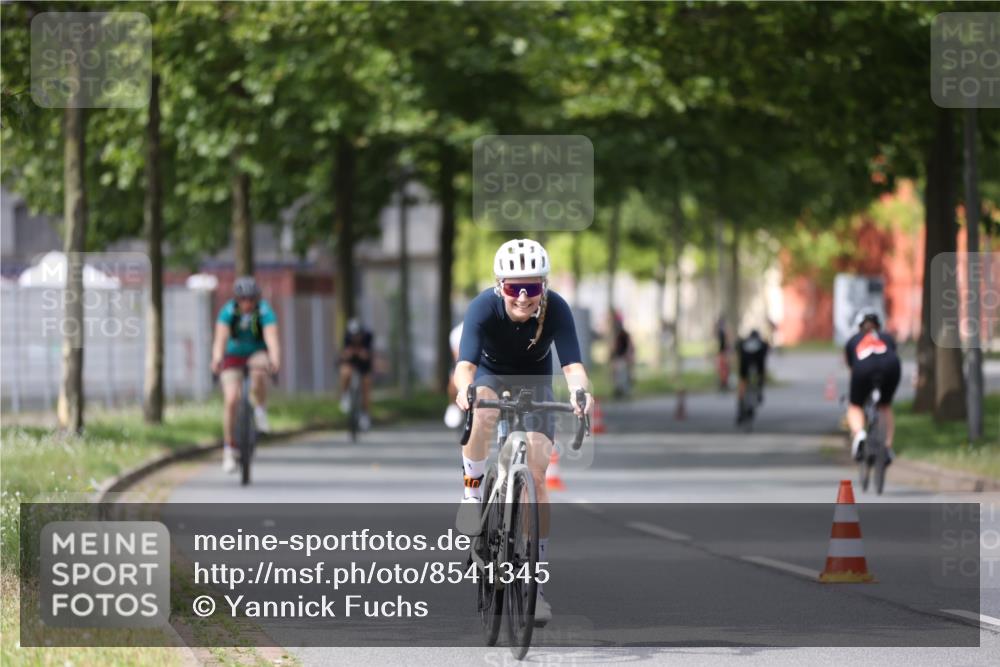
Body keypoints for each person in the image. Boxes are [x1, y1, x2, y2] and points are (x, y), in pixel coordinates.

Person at [453, 238, 593, 624]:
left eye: (533, 287)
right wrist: (465, 391)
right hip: (490, 375)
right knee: (482, 414)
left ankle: (535, 584)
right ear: (501, 286)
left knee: (537, 473)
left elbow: (572, 367)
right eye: (515, 288)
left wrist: (581, 393)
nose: (524, 297)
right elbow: (465, 365)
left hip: (536, 383)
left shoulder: (557, 309)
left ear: (543, 286)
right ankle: (472, 492)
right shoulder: (483, 306)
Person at [210, 276, 281, 473]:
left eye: (251, 299)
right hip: (233, 354)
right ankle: (229, 449)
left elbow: (271, 337)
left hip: (256, 351)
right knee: (231, 399)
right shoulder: (228, 311)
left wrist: (275, 359)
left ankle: (259, 411)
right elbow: (220, 339)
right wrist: (216, 359)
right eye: (243, 299)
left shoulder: (264, 311)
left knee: (259, 372)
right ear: (237, 299)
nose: (247, 303)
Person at [844, 310, 901, 464]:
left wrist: (855, 394)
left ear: (859, 326)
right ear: (878, 325)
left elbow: (852, 368)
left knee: (854, 406)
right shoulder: (887, 337)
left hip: (864, 368)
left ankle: (859, 434)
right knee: (885, 406)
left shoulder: (853, 340)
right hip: (891, 367)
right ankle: (888, 447)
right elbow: (892, 354)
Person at [339, 318, 374, 431]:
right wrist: (348, 354)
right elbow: (344, 355)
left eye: (358, 335)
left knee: (366, 384)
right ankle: (345, 396)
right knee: (345, 372)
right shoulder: (346, 338)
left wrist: (362, 354)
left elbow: (368, 355)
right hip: (351, 362)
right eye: (354, 335)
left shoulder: (368, 337)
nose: (356, 338)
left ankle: (365, 414)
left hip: (364, 364)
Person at [735, 328, 769, 424]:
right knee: (761, 373)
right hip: (758, 364)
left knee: (743, 381)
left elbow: (737, 349)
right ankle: (759, 391)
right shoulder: (762, 344)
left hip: (745, 364)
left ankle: (741, 405)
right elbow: (765, 356)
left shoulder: (743, 343)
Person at [443, 322, 465, 428]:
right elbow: (457, 356)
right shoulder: (456, 333)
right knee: (452, 382)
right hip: (462, 362)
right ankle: (453, 405)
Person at [609, 312, 634, 398]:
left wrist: (628, 356)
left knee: (623, 375)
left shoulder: (624, 334)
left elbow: (629, 346)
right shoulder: (615, 334)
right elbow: (613, 348)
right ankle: (619, 391)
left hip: (622, 358)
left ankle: (624, 391)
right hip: (618, 358)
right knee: (617, 376)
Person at [716, 315, 730, 390]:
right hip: (723, 352)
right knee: (723, 368)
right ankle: (723, 383)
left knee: (723, 368)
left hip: (722, 352)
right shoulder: (723, 331)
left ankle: (724, 383)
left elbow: (726, 342)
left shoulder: (721, 331)